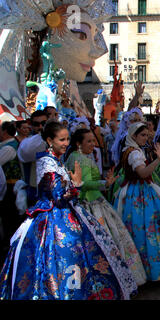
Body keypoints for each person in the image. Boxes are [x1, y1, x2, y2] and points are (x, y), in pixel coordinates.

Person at [0, 122, 137, 300]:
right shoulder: (46, 161)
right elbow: (58, 195)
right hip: (53, 217)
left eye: (67, 139)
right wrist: (76, 185)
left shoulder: (55, 159)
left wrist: (73, 185)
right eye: (61, 140)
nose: (66, 143)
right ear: (49, 140)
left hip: (66, 211)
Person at [66, 129, 147, 286]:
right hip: (90, 204)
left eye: (93, 140)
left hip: (88, 202)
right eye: (89, 141)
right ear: (78, 144)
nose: (93, 144)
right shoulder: (79, 159)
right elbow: (82, 184)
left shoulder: (76, 157)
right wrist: (104, 184)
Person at [114, 122, 160, 280]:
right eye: (142, 135)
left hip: (132, 191)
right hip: (140, 193)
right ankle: (155, 268)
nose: (145, 138)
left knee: (139, 228)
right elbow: (142, 173)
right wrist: (158, 160)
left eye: (147, 135)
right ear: (133, 136)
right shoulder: (134, 153)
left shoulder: (129, 150)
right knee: (150, 227)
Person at [0, 122, 23, 260]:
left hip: (11, 187)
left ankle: (10, 246)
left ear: (4, 132)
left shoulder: (9, 148)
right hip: (8, 186)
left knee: (10, 217)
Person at [17, 110, 48, 206]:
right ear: (31, 125)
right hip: (35, 193)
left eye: (43, 123)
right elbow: (30, 150)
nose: (40, 127)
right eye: (36, 124)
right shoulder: (27, 143)